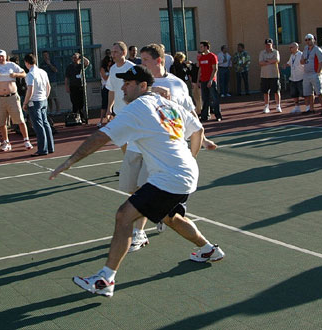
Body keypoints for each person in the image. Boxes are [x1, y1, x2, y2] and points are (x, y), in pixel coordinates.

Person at [49, 64, 225, 298]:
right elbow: (198, 131)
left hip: (171, 177)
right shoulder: (170, 105)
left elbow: (101, 136)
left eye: (128, 84)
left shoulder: (139, 108)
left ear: (143, 86)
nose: (122, 88)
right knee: (170, 217)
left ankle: (105, 279)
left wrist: (70, 161)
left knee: (124, 215)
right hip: (187, 173)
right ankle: (207, 249)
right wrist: (190, 158)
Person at [123, 44, 217, 252]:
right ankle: (159, 214)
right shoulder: (142, 83)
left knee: (144, 192)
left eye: (145, 60)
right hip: (136, 146)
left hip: (162, 150)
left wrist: (203, 139)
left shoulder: (177, 84)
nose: (141, 63)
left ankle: (140, 233)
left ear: (159, 61)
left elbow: (189, 115)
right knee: (133, 189)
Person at [0, 50, 34, 152]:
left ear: (5, 56)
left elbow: (23, 73)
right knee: (1, 122)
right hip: (0, 98)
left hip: (12, 97)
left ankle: (26, 140)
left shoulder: (11, 65)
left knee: (20, 119)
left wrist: (15, 75)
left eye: (2, 56)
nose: (0, 58)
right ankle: (6, 142)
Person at [23, 53, 55, 156]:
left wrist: (25, 102)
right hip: (43, 99)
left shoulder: (30, 74)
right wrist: (45, 97)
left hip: (35, 101)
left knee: (38, 125)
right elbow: (48, 86)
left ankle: (42, 149)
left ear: (27, 63)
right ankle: (50, 147)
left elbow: (30, 89)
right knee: (45, 123)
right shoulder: (43, 72)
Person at [106, 42, 135, 123]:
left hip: (131, 112)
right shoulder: (112, 69)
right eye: (112, 52)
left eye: (115, 52)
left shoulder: (132, 68)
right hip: (117, 112)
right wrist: (109, 108)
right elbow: (112, 90)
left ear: (124, 53)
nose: (113, 55)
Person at [300, 34, 322, 115]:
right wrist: (303, 61)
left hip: (314, 73)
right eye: (306, 40)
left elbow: (321, 61)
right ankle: (311, 109)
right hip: (306, 74)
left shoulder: (317, 49)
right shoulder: (305, 49)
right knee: (309, 93)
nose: (308, 41)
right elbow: (301, 61)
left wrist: (318, 72)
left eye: (309, 39)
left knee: (319, 92)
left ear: (313, 40)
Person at [198, 40, 222, 121]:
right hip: (203, 80)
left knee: (215, 98)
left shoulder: (212, 56)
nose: (200, 48)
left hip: (211, 81)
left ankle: (218, 115)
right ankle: (205, 116)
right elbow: (200, 69)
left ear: (206, 47)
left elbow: (215, 69)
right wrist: (198, 81)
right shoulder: (201, 57)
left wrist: (211, 80)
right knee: (205, 99)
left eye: (201, 47)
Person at [65, 52, 91, 123]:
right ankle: (75, 118)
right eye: (73, 58)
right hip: (73, 87)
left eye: (75, 58)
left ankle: (82, 117)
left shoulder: (81, 66)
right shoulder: (69, 67)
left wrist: (81, 56)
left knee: (81, 103)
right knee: (74, 102)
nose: (74, 59)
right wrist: (66, 86)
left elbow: (87, 62)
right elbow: (67, 78)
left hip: (81, 86)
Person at [259, 38, 281, 113]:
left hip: (274, 75)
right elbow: (261, 62)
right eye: (267, 45)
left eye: (269, 44)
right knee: (265, 92)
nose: (268, 46)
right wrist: (270, 61)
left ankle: (278, 106)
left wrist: (268, 61)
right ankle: (266, 106)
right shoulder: (262, 53)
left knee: (276, 91)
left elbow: (277, 60)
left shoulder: (276, 52)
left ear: (272, 44)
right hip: (264, 75)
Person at [286, 42, 304, 113]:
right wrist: (285, 65)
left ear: (296, 47)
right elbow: (289, 63)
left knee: (304, 93)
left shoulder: (301, 55)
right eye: (290, 47)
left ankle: (308, 106)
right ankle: (297, 107)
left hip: (300, 77)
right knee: (294, 94)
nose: (290, 49)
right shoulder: (292, 56)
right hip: (293, 77)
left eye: (291, 47)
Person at [40, 51, 60, 115]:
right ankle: (51, 111)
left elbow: (55, 70)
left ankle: (58, 110)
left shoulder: (52, 62)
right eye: (44, 55)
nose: (45, 57)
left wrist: (49, 64)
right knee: (49, 98)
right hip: (45, 83)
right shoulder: (42, 64)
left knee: (55, 97)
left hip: (52, 82)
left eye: (46, 55)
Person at [99, 50, 113, 127]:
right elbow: (105, 77)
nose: (110, 63)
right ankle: (101, 120)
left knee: (111, 104)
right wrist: (111, 73)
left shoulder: (112, 68)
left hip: (111, 87)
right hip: (105, 87)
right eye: (108, 61)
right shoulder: (103, 69)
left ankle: (109, 120)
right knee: (104, 104)